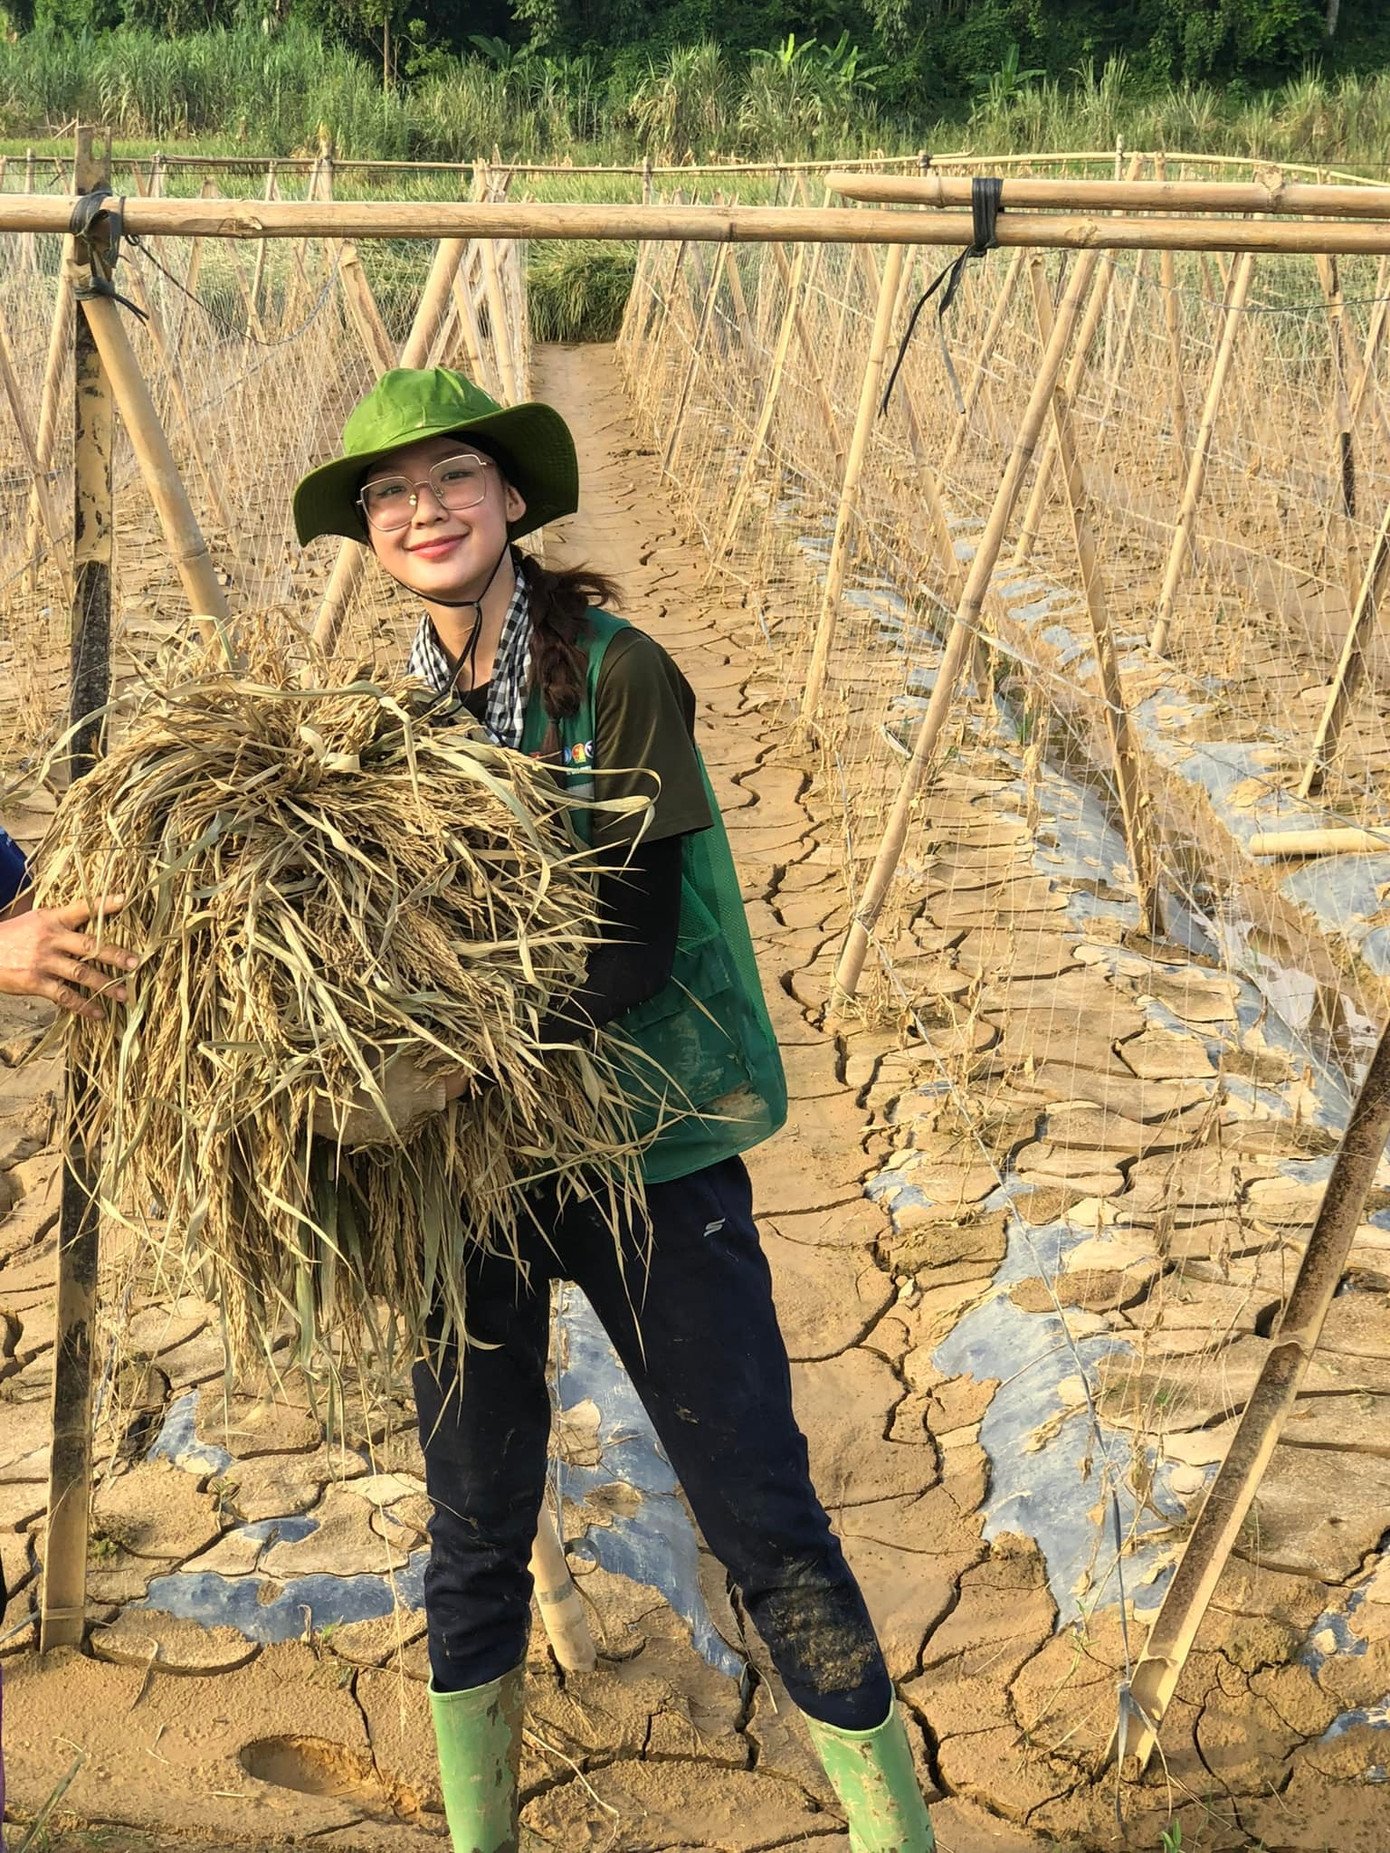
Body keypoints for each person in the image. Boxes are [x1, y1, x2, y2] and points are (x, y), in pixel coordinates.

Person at [292, 368, 935, 1853]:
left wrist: (447, 1060)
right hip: (477, 1175)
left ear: (511, 498)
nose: (422, 511)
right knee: (470, 1524)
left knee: (760, 1515)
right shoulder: (391, 721)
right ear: (370, 537)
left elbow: (633, 944)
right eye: (389, 495)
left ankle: (895, 1833)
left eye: (451, 478)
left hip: (646, 1149)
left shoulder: (618, 667)